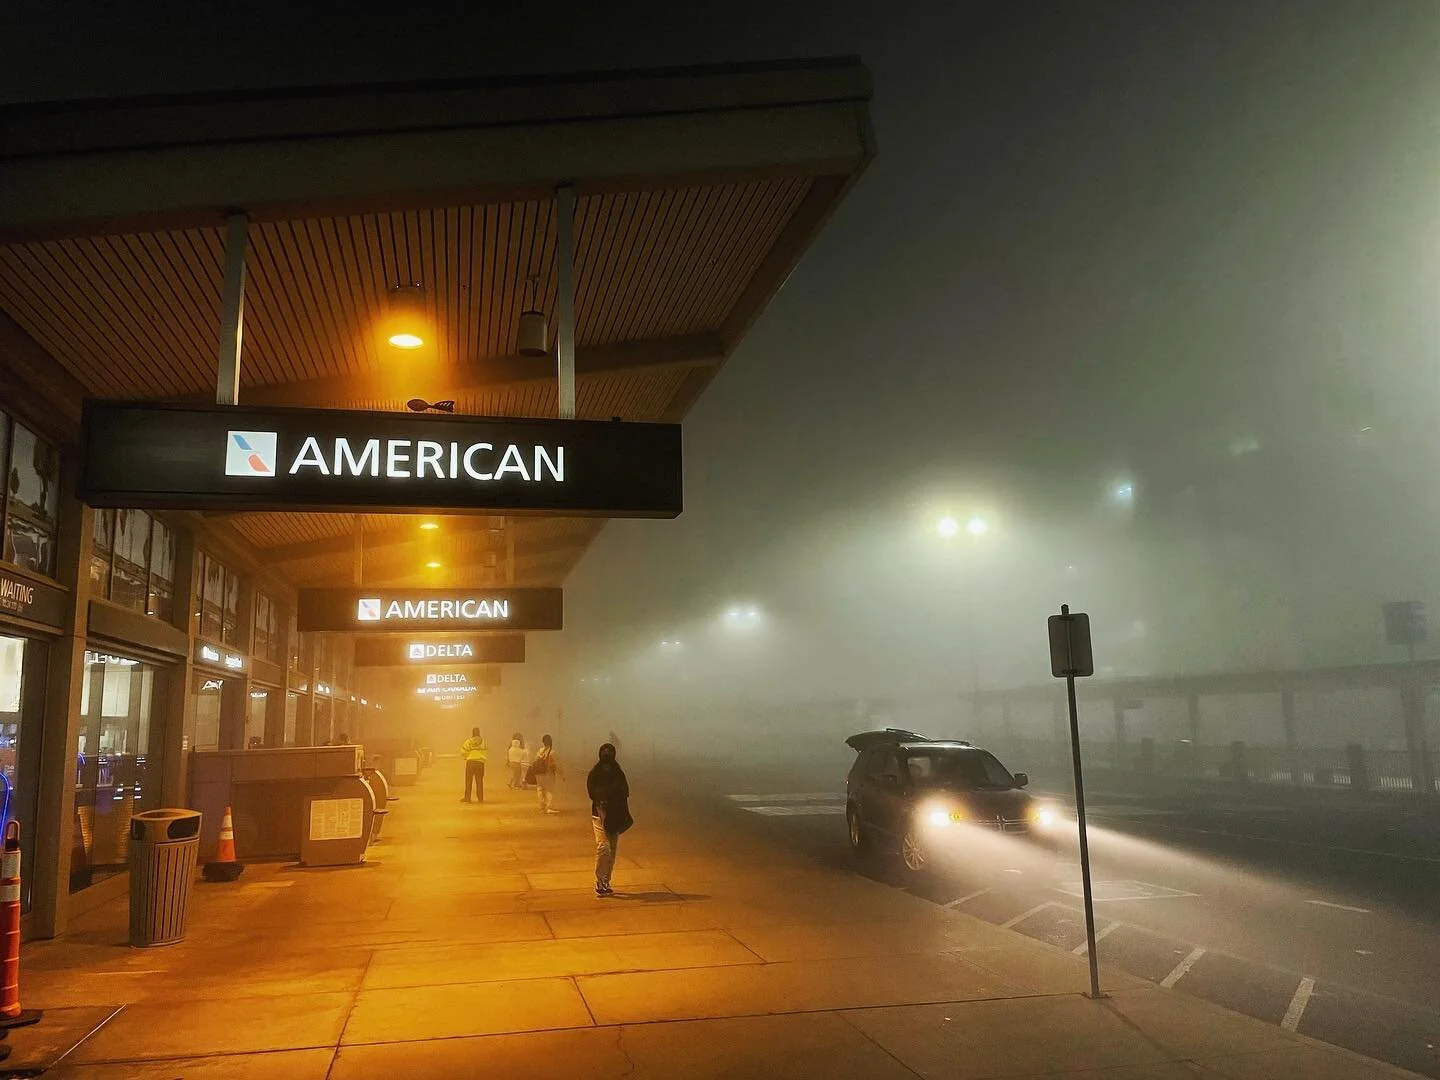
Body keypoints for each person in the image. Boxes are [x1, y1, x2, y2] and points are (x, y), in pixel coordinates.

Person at [586, 742, 632, 896]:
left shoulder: (618, 773)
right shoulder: (595, 773)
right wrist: (602, 800)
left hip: (614, 815)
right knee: (603, 847)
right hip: (599, 815)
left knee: (611, 851)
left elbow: (625, 792)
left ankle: (606, 880)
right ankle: (599, 881)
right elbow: (591, 792)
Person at [531, 734, 564, 814]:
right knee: (549, 791)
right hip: (548, 774)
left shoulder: (539, 752)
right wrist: (562, 774)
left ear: (543, 742)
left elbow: (534, 761)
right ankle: (549, 807)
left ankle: (542, 808)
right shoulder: (552, 752)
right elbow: (557, 765)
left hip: (538, 774)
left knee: (540, 790)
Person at [460, 727, 487, 803]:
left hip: (471, 762)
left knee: (468, 781)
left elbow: (462, 751)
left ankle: (467, 798)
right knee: (479, 781)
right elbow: (486, 750)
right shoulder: (483, 741)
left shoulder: (468, 741)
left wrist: (468, 756)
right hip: (480, 763)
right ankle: (480, 798)